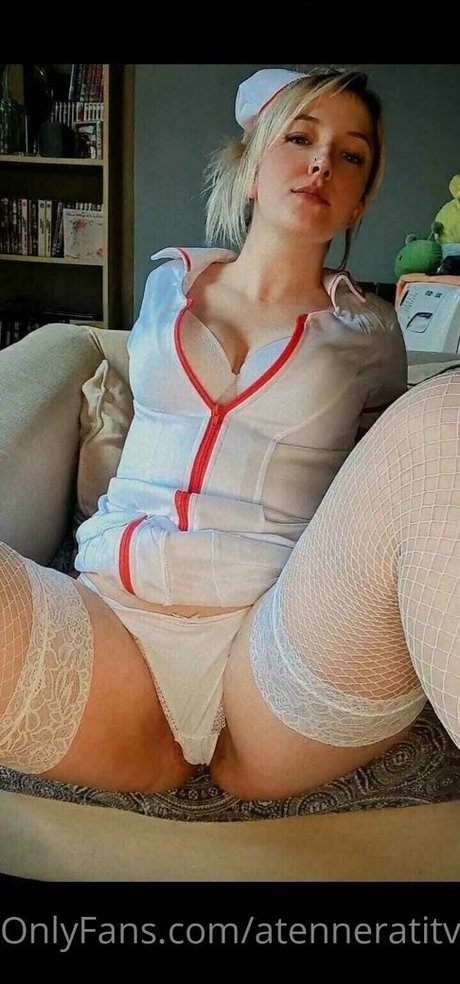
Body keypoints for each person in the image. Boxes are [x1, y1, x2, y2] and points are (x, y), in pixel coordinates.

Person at [1, 67, 458, 800]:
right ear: (249, 167)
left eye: (350, 154)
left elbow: (379, 485)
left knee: (444, 413)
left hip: (277, 642)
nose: (321, 162)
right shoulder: (167, 286)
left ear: (361, 200)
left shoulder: (372, 331)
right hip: (111, 623)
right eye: (300, 138)